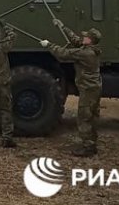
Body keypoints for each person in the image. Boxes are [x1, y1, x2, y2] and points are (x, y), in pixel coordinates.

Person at [40, 20, 102, 157]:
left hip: (88, 90)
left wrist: (48, 45)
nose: (83, 37)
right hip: (93, 88)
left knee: (84, 118)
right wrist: (62, 26)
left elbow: (63, 54)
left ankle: (88, 147)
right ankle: (92, 143)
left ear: (90, 40)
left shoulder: (86, 54)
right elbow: (75, 40)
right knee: (92, 116)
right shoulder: (90, 50)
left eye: (86, 36)